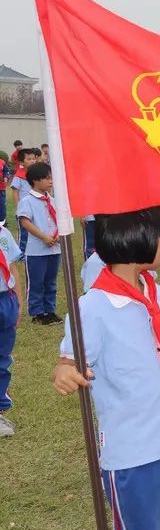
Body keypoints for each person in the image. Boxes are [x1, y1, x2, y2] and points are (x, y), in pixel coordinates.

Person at [52, 207, 160, 530]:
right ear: (139, 240)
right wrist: (63, 371)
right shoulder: (93, 308)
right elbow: (69, 360)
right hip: (133, 453)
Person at [16, 162, 62, 324]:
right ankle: (37, 313)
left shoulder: (54, 201)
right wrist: (43, 237)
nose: (51, 181)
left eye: (51, 178)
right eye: (47, 178)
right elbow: (25, 222)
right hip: (36, 251)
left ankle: (50, 310)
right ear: (35, 180)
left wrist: (57, 236)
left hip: (55, 249)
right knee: (36, 282)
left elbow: (60, 220)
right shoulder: (27, 201)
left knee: (51, 281)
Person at [0, 222, 23, 436]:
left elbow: (12, 267)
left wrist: (18, 303)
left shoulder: (4, 233)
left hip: (6, 299)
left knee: (3, 357)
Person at [11, 147, 37, 257]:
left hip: (35, 208)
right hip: (24, 209)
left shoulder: (36, 174)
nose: (32, 161)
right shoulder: (18, 176)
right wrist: (18, 208)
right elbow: (15, 192)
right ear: (22, 162)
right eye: (29, 159)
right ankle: (21, 253)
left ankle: (32, 250)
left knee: (34, 230)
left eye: (33, 159)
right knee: (24, 233)